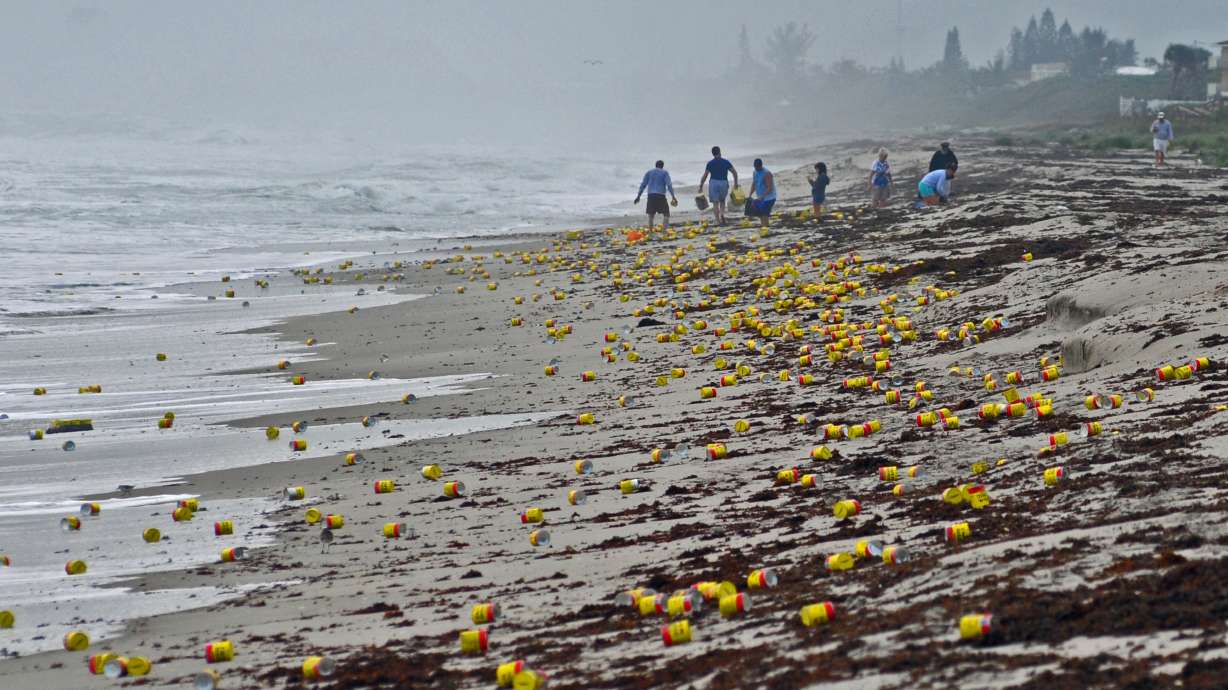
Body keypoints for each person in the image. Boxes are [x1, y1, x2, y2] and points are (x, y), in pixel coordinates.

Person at [698, 146, 739, 225]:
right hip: (723, 182)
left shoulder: (710, 163)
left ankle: (718, 220)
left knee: (715, 203)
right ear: (720, 152)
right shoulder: (726, 162)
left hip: (713, 183)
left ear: (713, 154)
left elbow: (705, 175)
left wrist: (701, 186)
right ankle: (722, 214)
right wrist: (736, 183)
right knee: (722, 200)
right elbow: (734, 172)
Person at [634, 160, 677, 230]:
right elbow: (669, 185)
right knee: (666, 214)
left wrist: (638, 196)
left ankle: (651, 231)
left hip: (651, 195)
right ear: (662, 166)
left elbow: (643, 185)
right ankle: (664, 230)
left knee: (651, 215)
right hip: (661, 195)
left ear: (655, 165)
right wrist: (673, 196)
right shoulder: (665, 173)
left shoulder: (649, 172)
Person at [746, 158, 776, 227]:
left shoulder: (767, 173)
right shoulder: (755, 172)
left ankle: (765, 227)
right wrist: (750, 193)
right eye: (755, 167)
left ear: (761, 166)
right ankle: (764, 226)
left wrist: (762, 196)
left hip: (770, 198)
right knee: (760, 214)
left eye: (758, 167)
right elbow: (754, 183)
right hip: (760, 197)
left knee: (764, 213)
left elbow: (770, 188)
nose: (757, 168)